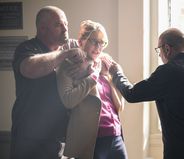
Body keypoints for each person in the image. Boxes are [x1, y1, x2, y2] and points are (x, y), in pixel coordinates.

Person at [109, 28, 184, 159]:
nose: (159, 55)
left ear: (167, 49)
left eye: (159, 50)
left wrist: (117, 73)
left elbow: (131, 94)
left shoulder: (168, 72)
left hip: (178, 153)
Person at [10, 6, 85, 159]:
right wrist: (64, 54)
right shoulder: (27, 48)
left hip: (59, 139)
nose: (65, 29)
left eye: (66, 24)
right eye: (58, 25)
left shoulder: (71, 48)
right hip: (29, 140)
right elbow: (29, 68)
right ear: (43, 29)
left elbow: (97, 56)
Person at [56, 20, 128, 159]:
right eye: (94, 41)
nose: (99, 47)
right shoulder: (68, 66)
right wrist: (93, 76)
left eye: (102, 43)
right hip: (91, 141)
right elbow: (68, 101)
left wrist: (107, 76)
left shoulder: (105, 64)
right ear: (81, 41)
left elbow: (119, 106)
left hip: (116, 136)